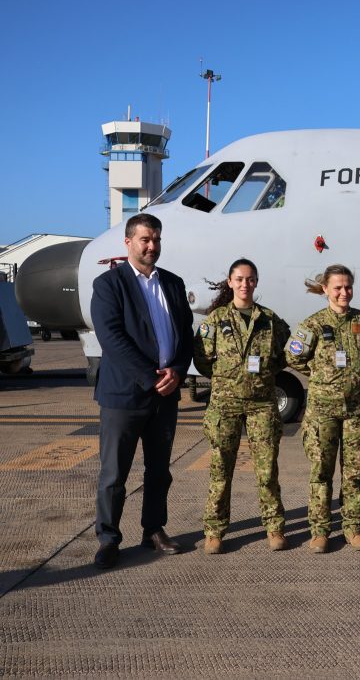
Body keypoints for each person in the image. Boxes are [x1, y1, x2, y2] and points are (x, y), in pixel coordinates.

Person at [91, 213, 194, 569]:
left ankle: (153, 530)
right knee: (114, 474)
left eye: (157, 240)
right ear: (128, 242)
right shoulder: (110, 285)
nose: (152, 246)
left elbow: (185, 335)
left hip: (165, 394)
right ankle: (108, 538)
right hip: (125, 396)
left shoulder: (173, 284)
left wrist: (178, 371)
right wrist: (151, 377)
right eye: (145, 240)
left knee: (159, 470)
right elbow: (112, 339)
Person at [286, 264, 360, 553]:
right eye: (338, 287)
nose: (344, 292)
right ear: (326, 290)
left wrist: (358, 378)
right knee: (321, 471)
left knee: (354, 472)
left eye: (348, 287)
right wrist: (321, 375)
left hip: (357, 410)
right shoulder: (314, 325)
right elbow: (293, 358)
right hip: (322, 411)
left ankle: (353, 527)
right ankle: (320, 531)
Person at [193, 258, 291, 554]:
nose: (244, 284)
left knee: (267, 470)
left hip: (262, 404)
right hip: (225, 405)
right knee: (221, 470)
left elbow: (283, 356)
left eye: (250, 279)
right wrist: (227, 381)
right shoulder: (215, 320)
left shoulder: (270, 320)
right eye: (239, 279)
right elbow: (201, 359)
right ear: (230, 282)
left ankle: (274, 528)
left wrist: (262, 377)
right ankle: (215, 530)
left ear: (256, 282)